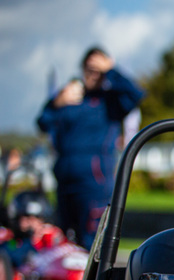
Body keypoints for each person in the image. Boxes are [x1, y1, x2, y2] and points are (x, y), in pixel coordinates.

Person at [36, 46, 145, 249]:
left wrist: (111, 69)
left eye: (98, 69)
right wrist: (56, 103)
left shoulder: (110, 101)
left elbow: (136, 94)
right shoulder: (69, 98)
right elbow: (43, 123)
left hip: (94, 184)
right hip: (65, 183)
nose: (93, 74)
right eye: (89, 68)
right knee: (64, 243)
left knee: (93, 244)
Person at [1, 189, 66, 268]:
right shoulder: (12, 243)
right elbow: (12, 256)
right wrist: (33, 243)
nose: (26, 223)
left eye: (32, 219)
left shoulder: (52, 238)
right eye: (24, 218)